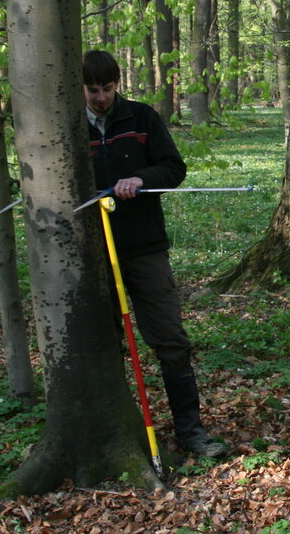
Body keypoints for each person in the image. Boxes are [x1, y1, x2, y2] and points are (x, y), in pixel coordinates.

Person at [83, 49, 230, 459]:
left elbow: (173, 168)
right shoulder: (66, 124)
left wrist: (139, 178)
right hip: (90, 253)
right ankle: (114, 434)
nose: (99, 97)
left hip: (144, 247)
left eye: (106, 88)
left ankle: (191, 433)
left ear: (117, 84)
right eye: (92, 89)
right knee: (103, 343)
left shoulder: (142, 118)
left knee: (170, 338)